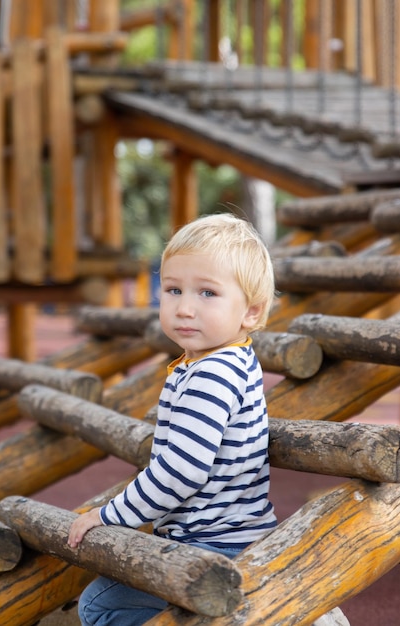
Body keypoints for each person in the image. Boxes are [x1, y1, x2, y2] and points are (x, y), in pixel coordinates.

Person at [68, 212, 277, 626]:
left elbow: (181, 471)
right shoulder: (224, 359)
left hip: (214, 545)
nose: (184, 308)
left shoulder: (213, 373)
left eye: (207, 294)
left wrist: (108, 515)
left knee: (98, 606)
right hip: (222, 536)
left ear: (250, 312)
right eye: (173, 289)